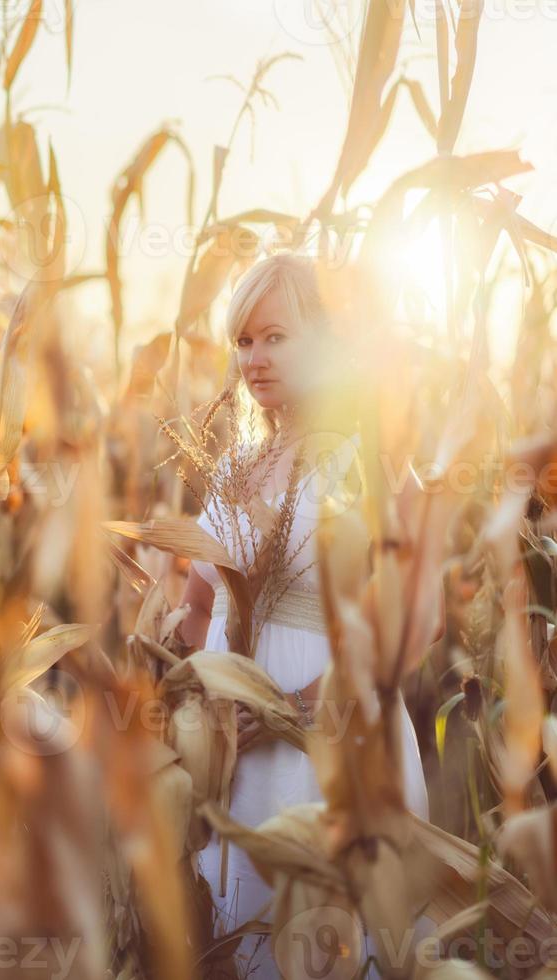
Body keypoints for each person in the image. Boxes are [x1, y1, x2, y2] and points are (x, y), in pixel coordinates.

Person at [178, 253, 430, 979]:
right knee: (250, 937)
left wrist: (287, 710)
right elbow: (198, 605)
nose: (254, 361)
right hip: (241, 763)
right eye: (243, 342)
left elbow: (414, 625)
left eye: (276, 338)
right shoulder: (234, 468)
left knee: (331, 942)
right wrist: (195, 698)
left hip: (332, 753)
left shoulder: (369, 460)